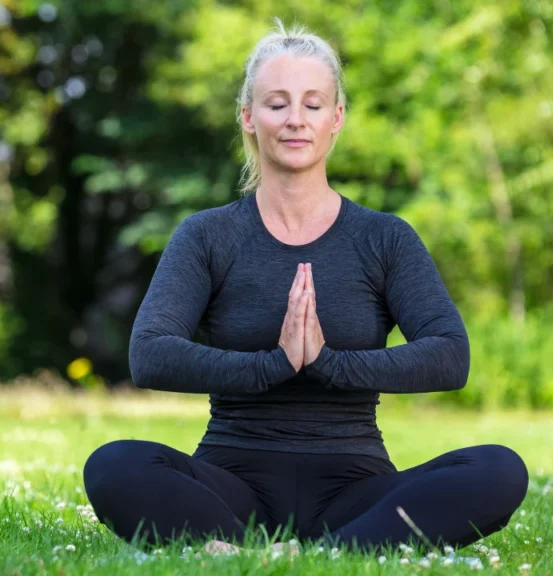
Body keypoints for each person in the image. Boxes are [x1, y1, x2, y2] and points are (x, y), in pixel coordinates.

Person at [81, 19, 528, 554]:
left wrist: (327, 362)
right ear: (248, 116)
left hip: (354, 488)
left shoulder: (384, 238)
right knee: (113, 464)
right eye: (277, 103)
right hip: (232, 483)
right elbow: (149, 354)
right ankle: (270, 544)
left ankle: (324, 552)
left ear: (336, 119)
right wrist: (273, 365)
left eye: (313, 104)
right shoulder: (207, 235)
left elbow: (450, 356)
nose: (296, 119)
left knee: (499, 468)